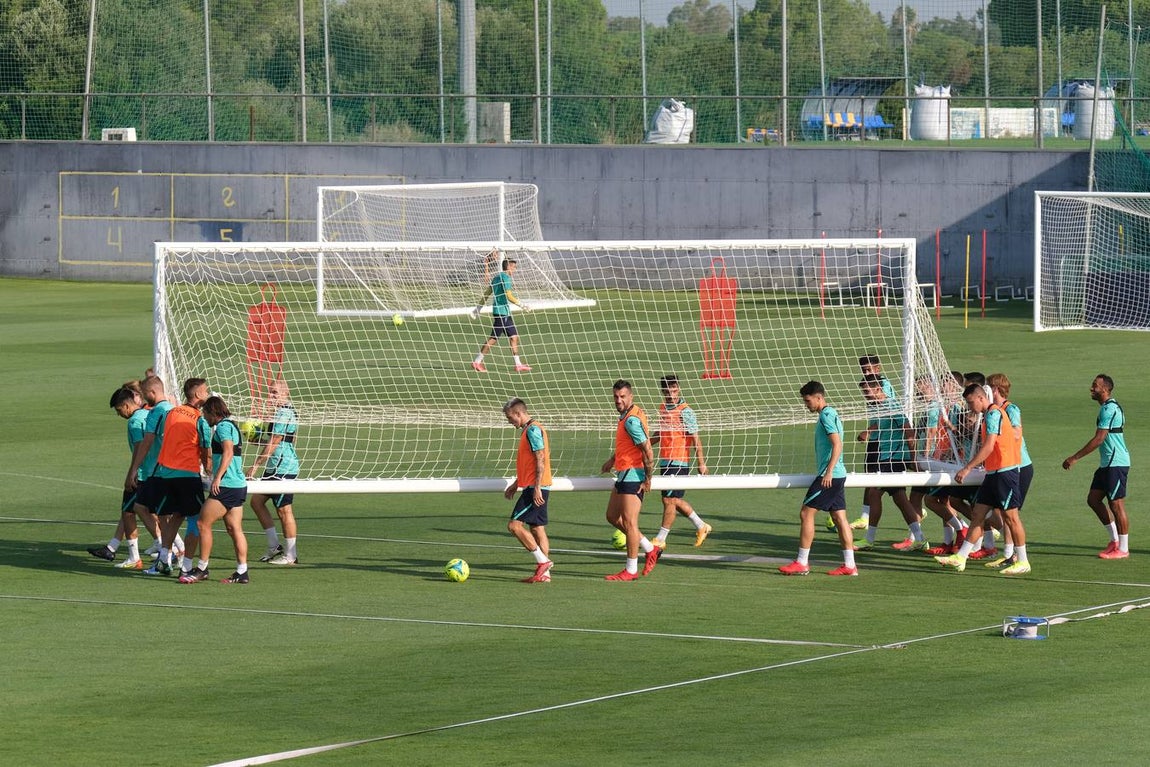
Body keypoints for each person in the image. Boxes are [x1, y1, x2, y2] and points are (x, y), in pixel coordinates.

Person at [935, 383, 1030, 575]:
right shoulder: (988, 415)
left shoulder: (994, 414)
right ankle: (961, 557)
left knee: (1011, 518)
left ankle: (1023, 561)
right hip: (993, 473)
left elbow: (988, 446)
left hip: (1005, 472)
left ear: (980, 398)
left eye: (971, 403)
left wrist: (968, 468)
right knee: (978, 514)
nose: (971, 408)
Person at [780, 381, 858, 576]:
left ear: (818, 397)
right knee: (840, 518)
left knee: (806, 514)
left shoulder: (825, 416)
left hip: (829, 477)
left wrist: (829, 471)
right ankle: (850, 566)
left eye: (808, 401)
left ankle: (802, 562)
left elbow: (837, 444)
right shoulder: (831, 413)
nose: (807, 405)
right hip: (838, 475)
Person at [144, 377, 211, 577]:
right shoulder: (200, 420)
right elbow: (205, 451)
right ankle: (187, 566)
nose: (207, 394)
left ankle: (164, 558)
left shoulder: (171, 412)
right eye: (206, 391)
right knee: (196, 519)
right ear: (198, 394)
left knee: (175, 516)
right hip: (187, 475)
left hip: (165, 474)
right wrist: (211, 472)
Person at [854, 374, 929, 552]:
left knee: (877, 494)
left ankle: (870, 539)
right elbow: (880, 426)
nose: (865, 394)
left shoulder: (892, 406)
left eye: (867, 391)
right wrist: (868, 432)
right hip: (884, 457)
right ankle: (919, 538)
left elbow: (908, 430)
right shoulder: (875, 407)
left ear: (878, 389)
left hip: (894, 459)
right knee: (897, 499)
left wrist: (912, 458)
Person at [181, 396, 250, 584]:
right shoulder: (232, 425)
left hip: (226, 486)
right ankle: (242, 572)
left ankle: (202, 568)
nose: (204, 417)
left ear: (213, 412)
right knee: (234, 528)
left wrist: (217, 478)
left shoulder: (223, 427)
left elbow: (228, 452)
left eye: (205, 413)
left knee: (203, 523)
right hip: (238, 486)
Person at [1063, 374, 1131, 559]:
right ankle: (1114, 540)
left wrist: (1075, 458)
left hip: (1116, 463)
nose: (1091, 389)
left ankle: (1123, 549)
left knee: (1116, 504)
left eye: (1095, 386)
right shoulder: (1107, 408)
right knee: (1093, 499)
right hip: (1107, 464)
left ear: (1105, 389)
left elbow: (1100, 438)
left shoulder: (1109, 409)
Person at [88, 386, 154, 568]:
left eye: (119, 410)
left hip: (140, 475)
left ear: (126, 406)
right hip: (153, 473)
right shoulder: (148, 415)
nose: (120, 415)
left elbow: (140, 447)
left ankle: (138, 556)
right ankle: (116, 548)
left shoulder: (134, 422)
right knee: (144, 512)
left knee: (129, 513)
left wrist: (131, 473)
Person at [601, 380, 660, 581]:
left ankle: (631, 569)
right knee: (611, 516)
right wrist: (613, 459)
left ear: (631, 396)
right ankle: (650, 549)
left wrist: (648, 478)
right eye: (616, 397)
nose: (618, 400)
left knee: (629, 523)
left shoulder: (631, 420)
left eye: (622, 396)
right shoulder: (629, 414)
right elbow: (629, 445)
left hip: (634, 475)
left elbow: (647, 450)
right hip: (624, 472)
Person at [124, 375, 185, 564]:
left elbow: (147, 441)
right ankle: (172, 553)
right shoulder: (175, 410)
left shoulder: (157, 412)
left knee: (150, 511)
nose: (144, 400)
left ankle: (172, 554)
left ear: (152, 392)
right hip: (174, 468)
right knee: (155, 512)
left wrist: (134, 470)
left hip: (159, 471)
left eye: (145, 395)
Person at [649, 375, 712, 550]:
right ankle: (701, 526)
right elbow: (660, 433)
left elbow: (695, 438)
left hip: (679, 462)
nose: (672, 393)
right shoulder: (663, 408)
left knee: (670, 500)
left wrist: (701, 462)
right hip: (665, 461)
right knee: (670, 500)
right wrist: (643, 444)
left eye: (675, 389)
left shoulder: (686, 411)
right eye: (668, 390)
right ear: (663, 391)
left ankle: (661, 538)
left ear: (679, 389)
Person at [247, 379, 301, 565]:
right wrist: (256, 439)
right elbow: (276, 441)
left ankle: (291, 555)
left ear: (286, 394)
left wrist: (255, 465)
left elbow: (276, 441)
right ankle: (273, 546)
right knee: (256, 501)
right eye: (270, 392)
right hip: (274, 466)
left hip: (284, 468)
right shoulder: (280, 412)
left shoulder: (284, 413)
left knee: (284, 510)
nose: (270, 396)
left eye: (275, 393)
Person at [501, 398, 554, 583]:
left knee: (514, 526)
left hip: (535, 488)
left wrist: (537, 488)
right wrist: (517, 483)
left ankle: (543, 562)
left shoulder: (532, 430)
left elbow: (540, 458)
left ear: (518, 413)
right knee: (537, 528)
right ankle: (544, 575)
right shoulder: (531, 429)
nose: (509, 421)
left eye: (510, 417)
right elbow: (531, 463)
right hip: (536, 485)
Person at [984, 372, 1033, 569]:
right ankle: (1009, 554)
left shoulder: (1010, 409)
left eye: (988, 387)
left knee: (1011, 515)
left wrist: (996, 430)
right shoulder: (994, 410)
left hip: (1019, 466)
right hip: (1006, 465)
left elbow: (1016, 434)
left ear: (995, 389)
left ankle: (1018, 557)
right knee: (1004, 513)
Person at [848, 355, 900, 530]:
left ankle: (866, 517)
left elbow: (888, 412)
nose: (866, 372)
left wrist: (869, 431)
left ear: (878, 369)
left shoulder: (882, 385)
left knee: (878, 482)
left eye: (869, 369)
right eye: (864, 370)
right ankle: (865, 515)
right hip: (877, 436)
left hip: (884, 439)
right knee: (871, 478)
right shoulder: (868, 385)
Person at [472, 252, 531, 373]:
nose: (514, 270)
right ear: (508, 266)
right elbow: (509, 296)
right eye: (514, 267)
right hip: (502, 312)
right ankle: (477, 362)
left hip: (502, 313)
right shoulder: (506, 278)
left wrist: (478, 308)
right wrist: (522, 305)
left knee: (514, 337)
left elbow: (487, 293)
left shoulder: (496, 277)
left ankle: (518, 364)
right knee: (493, 338)